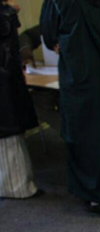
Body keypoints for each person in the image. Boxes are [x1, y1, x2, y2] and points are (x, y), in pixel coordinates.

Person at [40, 0, 100, 216]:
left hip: (81, 82)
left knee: (86, 140)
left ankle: (94, 196)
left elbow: (49, 35)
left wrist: (63, 43)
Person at [0, 0, 41, 199]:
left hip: (6, 85)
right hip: (6, 86)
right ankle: (17, 188)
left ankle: (16, 185)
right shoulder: (5, 16)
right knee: (9, 140)